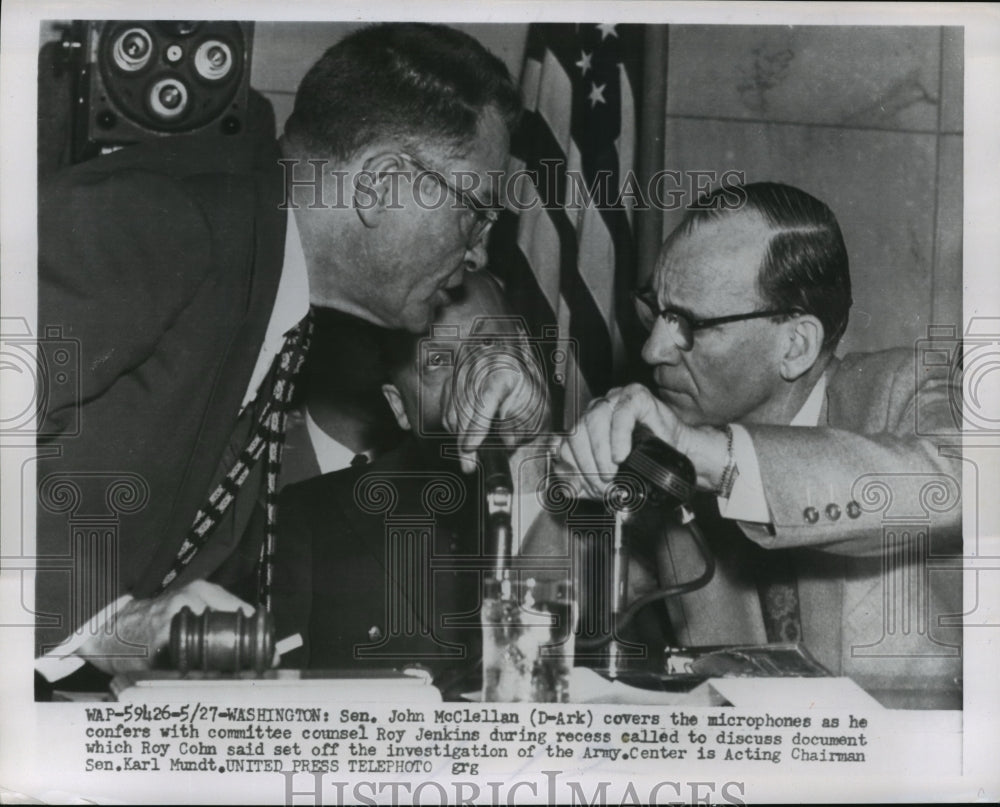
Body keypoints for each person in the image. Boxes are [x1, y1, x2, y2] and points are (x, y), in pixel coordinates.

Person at [34, 23, 531, 686]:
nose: (479, 253)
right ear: (381, 184)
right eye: (476, 210)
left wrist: (524, 443)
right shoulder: (153, 221)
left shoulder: (273, 286)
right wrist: (113, 627)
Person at [555, 182, 962, 698]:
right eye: (656, 311)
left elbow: (963, 480)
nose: (655, 348)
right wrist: (566, 468)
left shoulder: (910, 387)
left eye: (690, 323)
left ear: (795, 345)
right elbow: (555, 615)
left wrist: (718, 459)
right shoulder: (666, 447)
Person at [272, 271, 553, 673]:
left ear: (525, 353)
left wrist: (530, 458)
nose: (473, 379)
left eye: (488, 345)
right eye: (437, 361)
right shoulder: (316, 518)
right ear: (400, 406)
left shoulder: (603, 500)